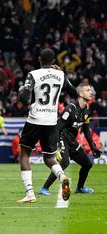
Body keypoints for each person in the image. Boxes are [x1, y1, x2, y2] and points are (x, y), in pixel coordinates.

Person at [17, 48, 78, 203]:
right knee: (49, 157)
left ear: (39, 59)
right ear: (54, 61)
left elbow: (24, 98)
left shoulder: (33, 74)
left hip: (35, 119)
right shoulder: (60, 75)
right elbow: (74, 92)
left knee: (25, 154)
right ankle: (63, 177)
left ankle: (30, 193)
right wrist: (61, 73)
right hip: (51, 121)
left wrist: (22, 89)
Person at [39, 81, 102, 195]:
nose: (91, 93)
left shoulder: (87, 110)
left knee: (87, 164)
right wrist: (57, 145)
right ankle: (44, 188)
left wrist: (93, 147)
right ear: (80, 93)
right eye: (88, 90)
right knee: (64, 162)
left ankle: (80, 188)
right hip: (62, 138)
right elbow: (58, 128)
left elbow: (86, 130)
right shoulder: (70, 108)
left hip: (72, 141)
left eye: (90, 90)